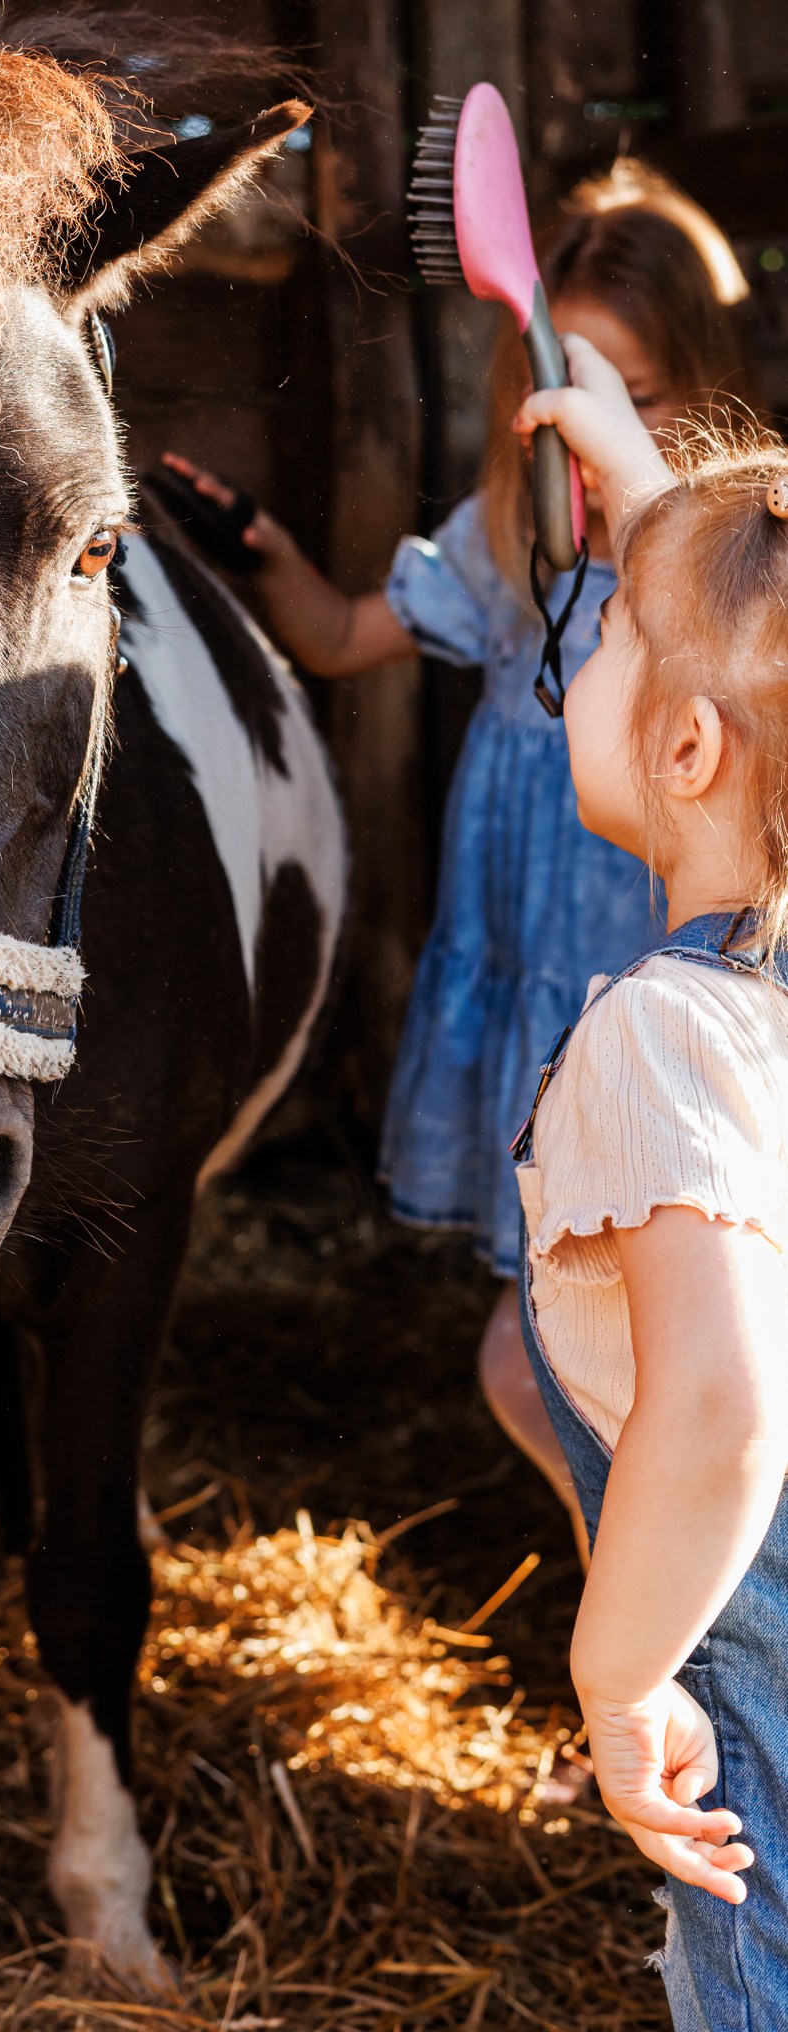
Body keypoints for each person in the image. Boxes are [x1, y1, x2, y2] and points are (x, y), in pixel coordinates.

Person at [162, 172, 754, 1556]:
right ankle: (656, 1604)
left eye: (639, 398)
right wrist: (262, 550)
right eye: (566, 395)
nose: (597, 434)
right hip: (547, 1017)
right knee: (562, 1352)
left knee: (610, 1358)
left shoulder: (731, 583)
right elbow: (340, 636)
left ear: (704, 387)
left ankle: (672, 1614)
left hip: (648, 1007)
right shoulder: (509, 552)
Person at [506, 338, 788, 2020]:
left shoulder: (661, 1036)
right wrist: (643, 490)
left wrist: (618, 1681)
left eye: (609, 627)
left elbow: (725, 1408)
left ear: (686, 751)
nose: (583, 652)